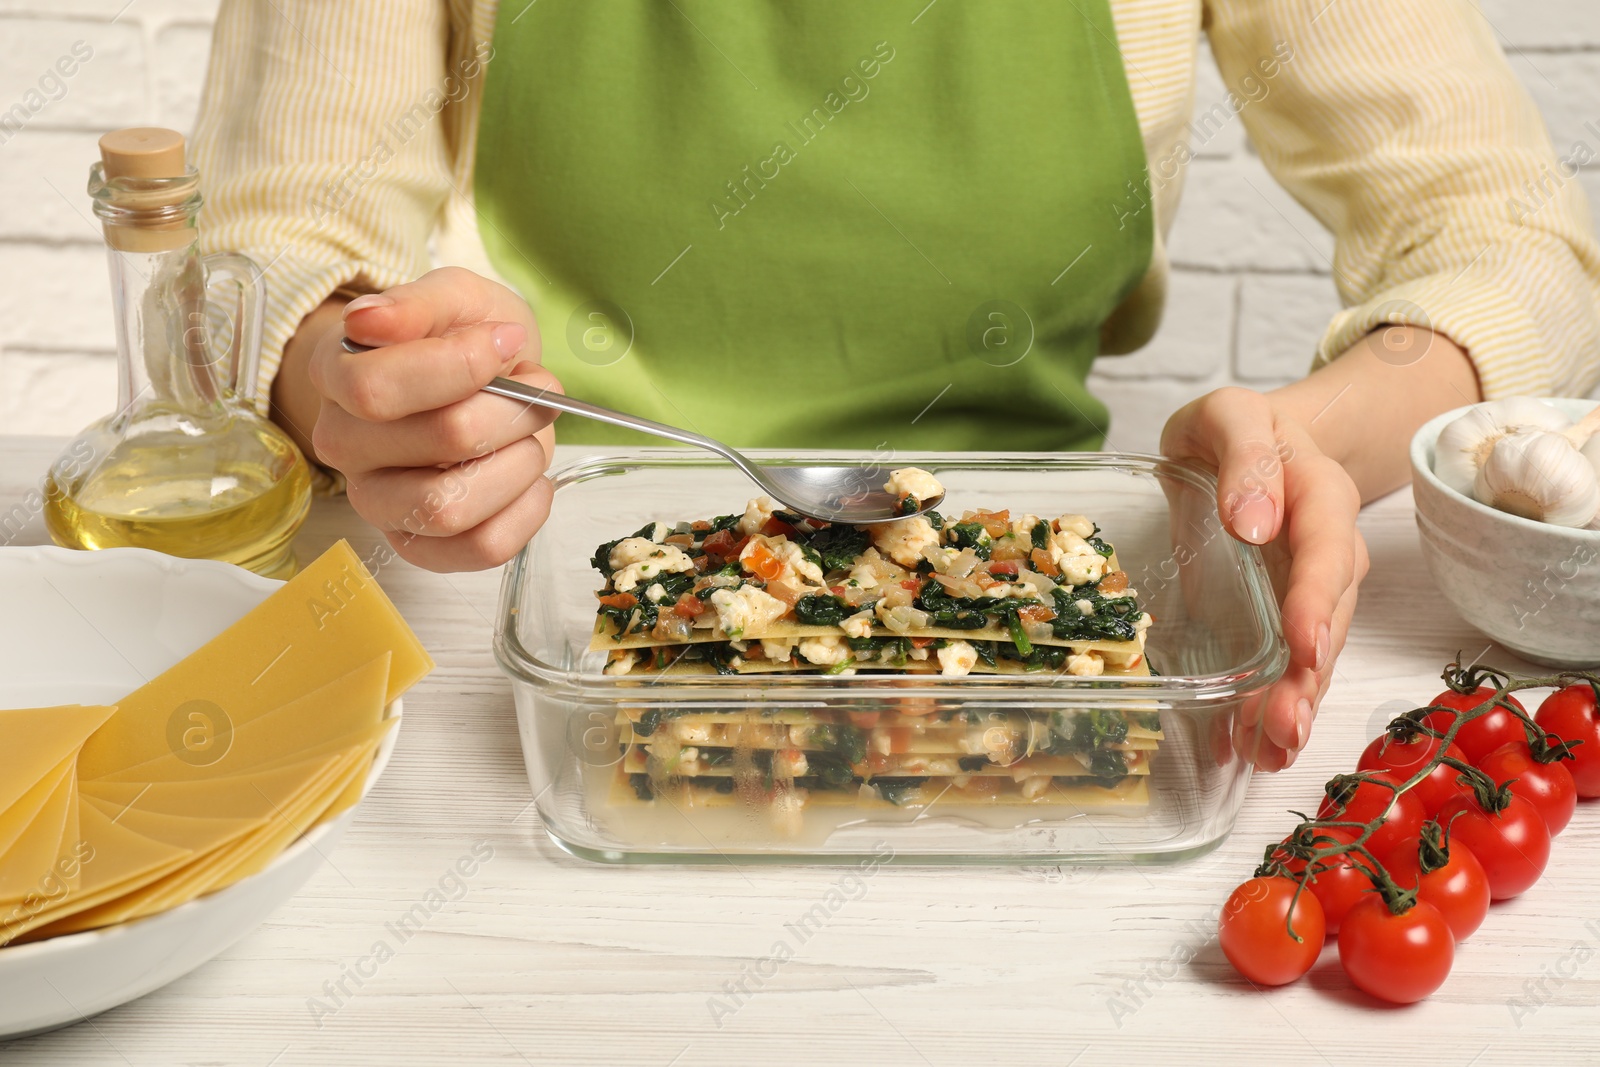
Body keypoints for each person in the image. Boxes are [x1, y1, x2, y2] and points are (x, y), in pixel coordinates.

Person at [190, 0, 1600, 770]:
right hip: (578, 627)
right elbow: (258, 247)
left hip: (1054, 657)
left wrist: (1303, 442)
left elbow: (1508, 240)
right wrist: (347, 380)